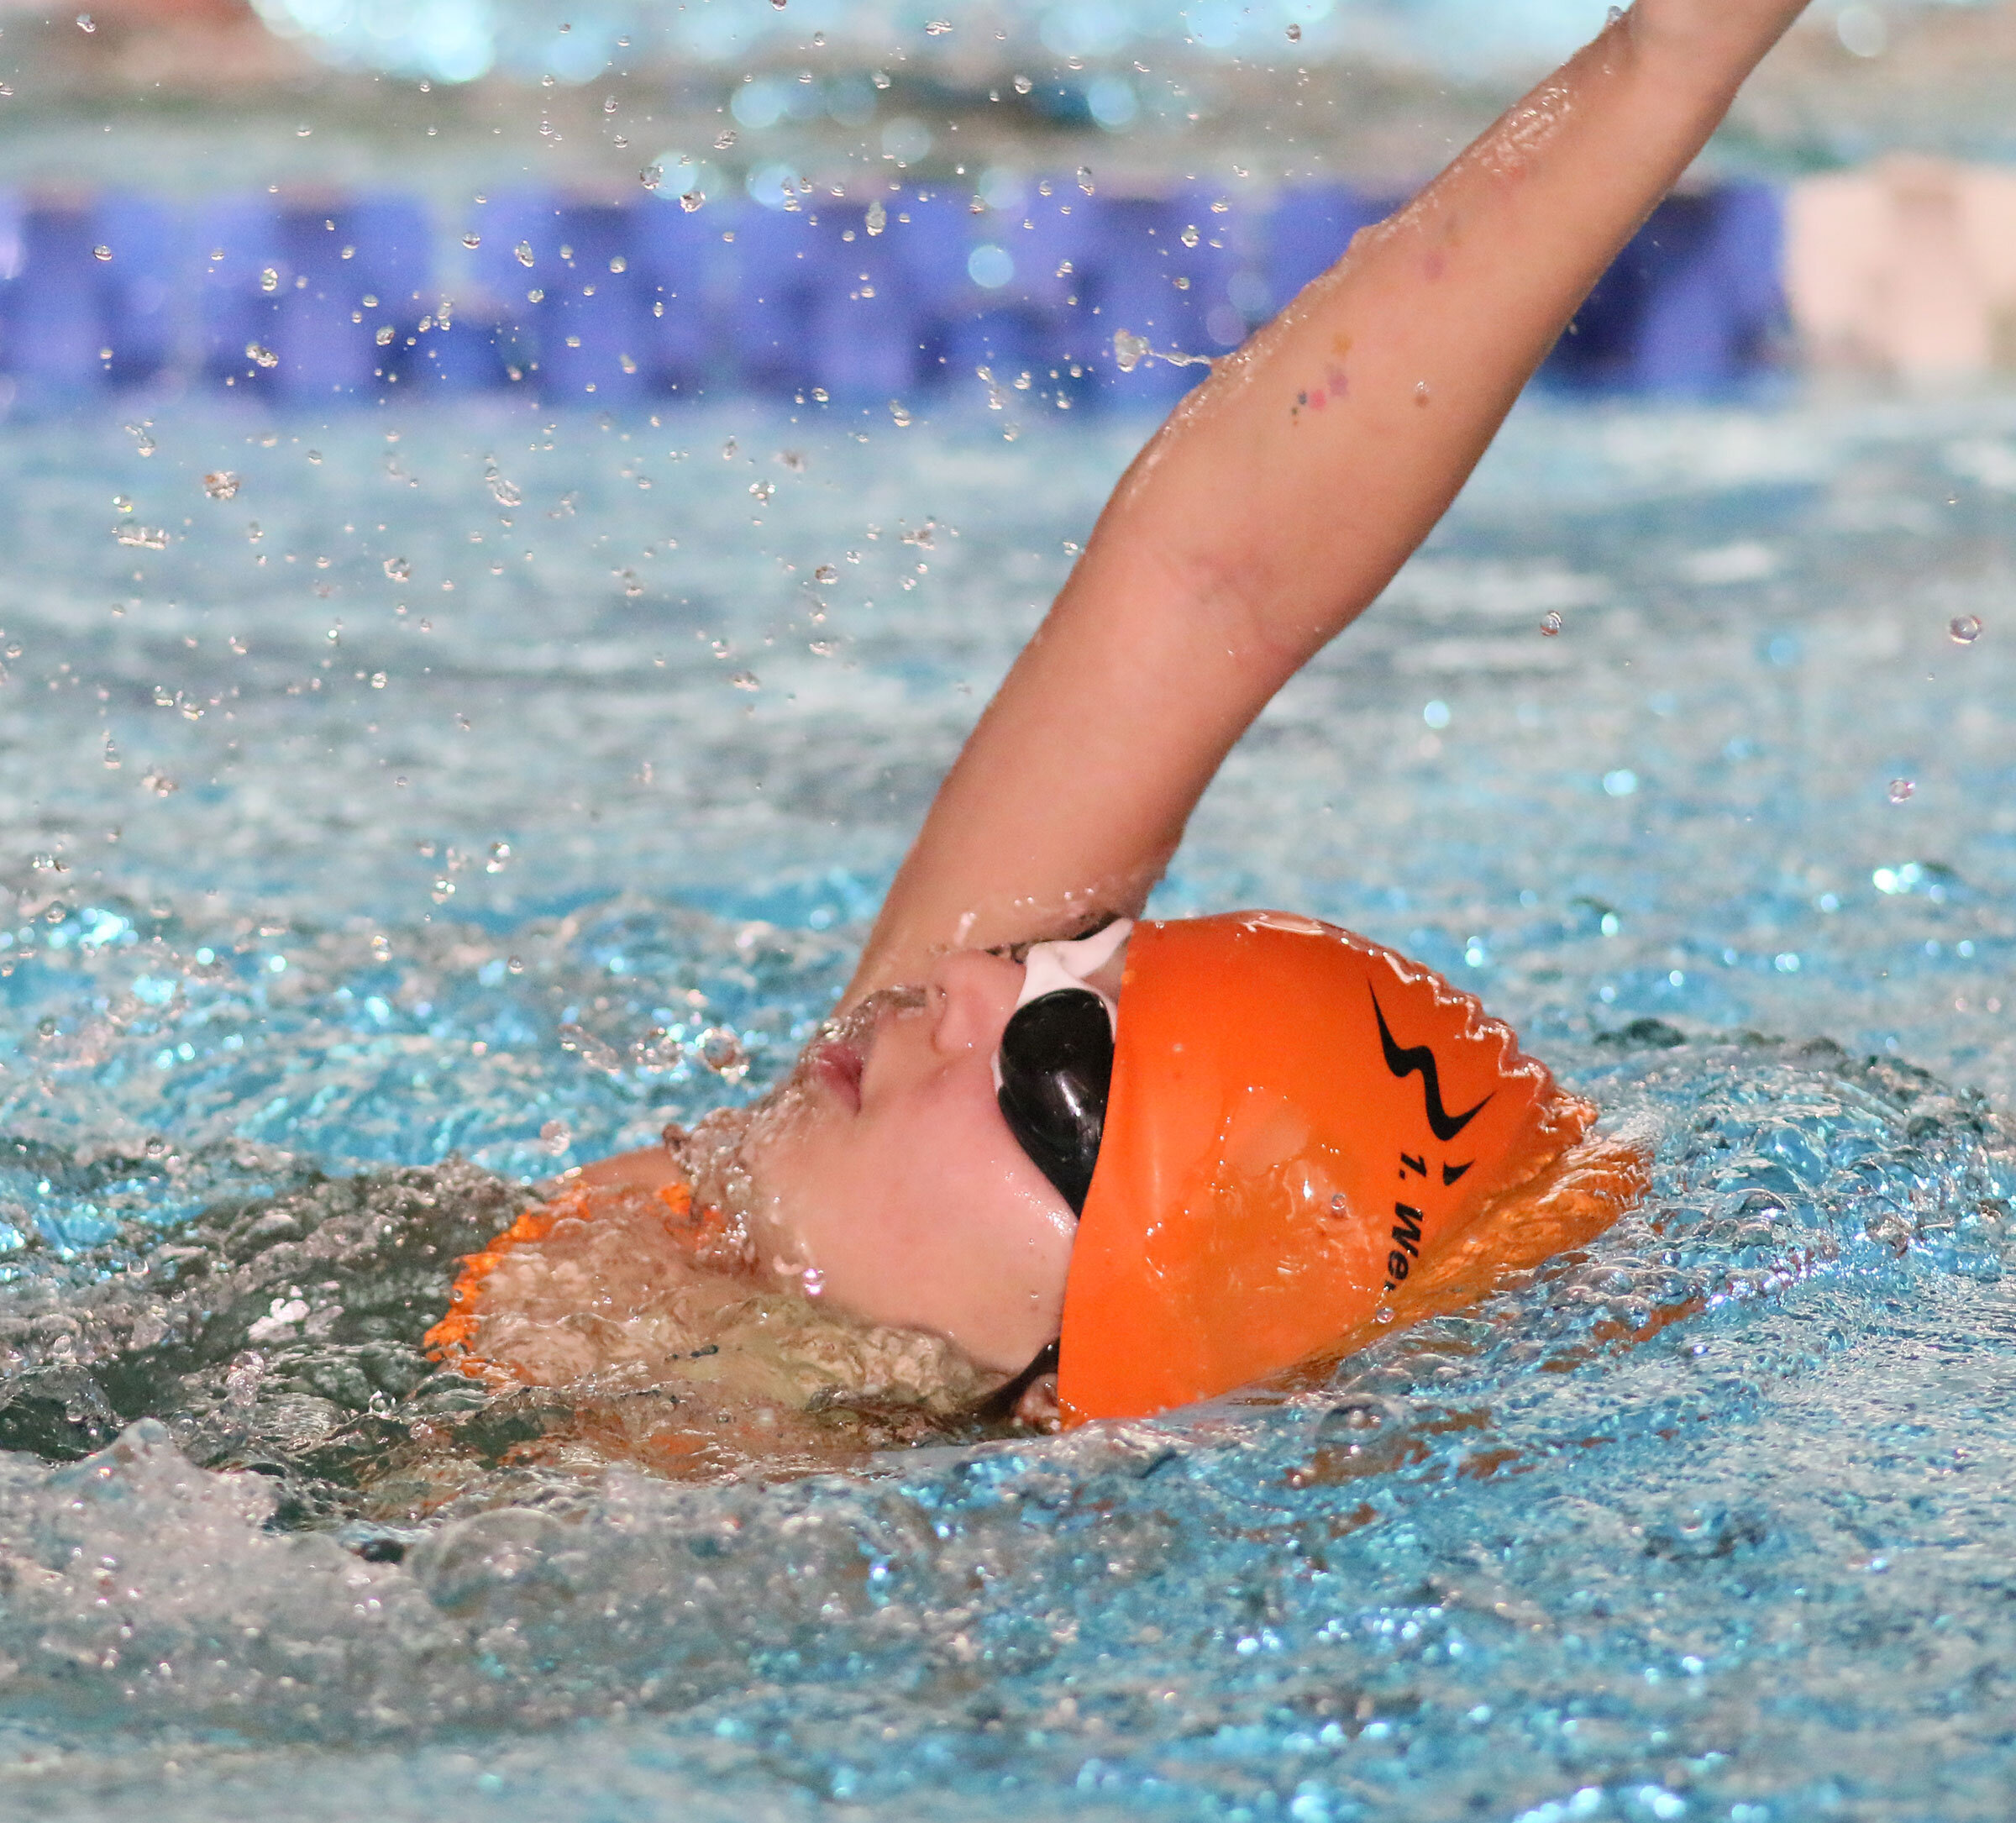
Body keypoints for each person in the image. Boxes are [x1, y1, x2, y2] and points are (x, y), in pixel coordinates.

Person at [428, 0, 1814, 1458]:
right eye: (1045, 959)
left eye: (1060, 1072)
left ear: (1066, 1380)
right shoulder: (807, 1253)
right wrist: (1674, 51)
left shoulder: (705, 1573)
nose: (967, 976)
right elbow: (1207, 587)